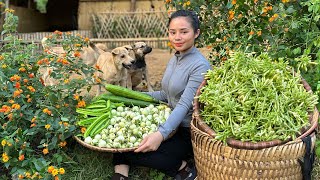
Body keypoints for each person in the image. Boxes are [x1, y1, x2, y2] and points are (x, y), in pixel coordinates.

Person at [111, 9, 211, 180]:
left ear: (196, 33)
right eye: (173, 32)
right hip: (168, 118)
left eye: (184, 32)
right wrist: (132, 97)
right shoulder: (175, 58)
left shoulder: (200, 66)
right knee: (125, 143)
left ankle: (184, 168)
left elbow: (183, 105)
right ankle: (121, 175)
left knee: (139, 151)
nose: (177, 37)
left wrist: (160, 134)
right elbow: (166, 94)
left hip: (186, 130)